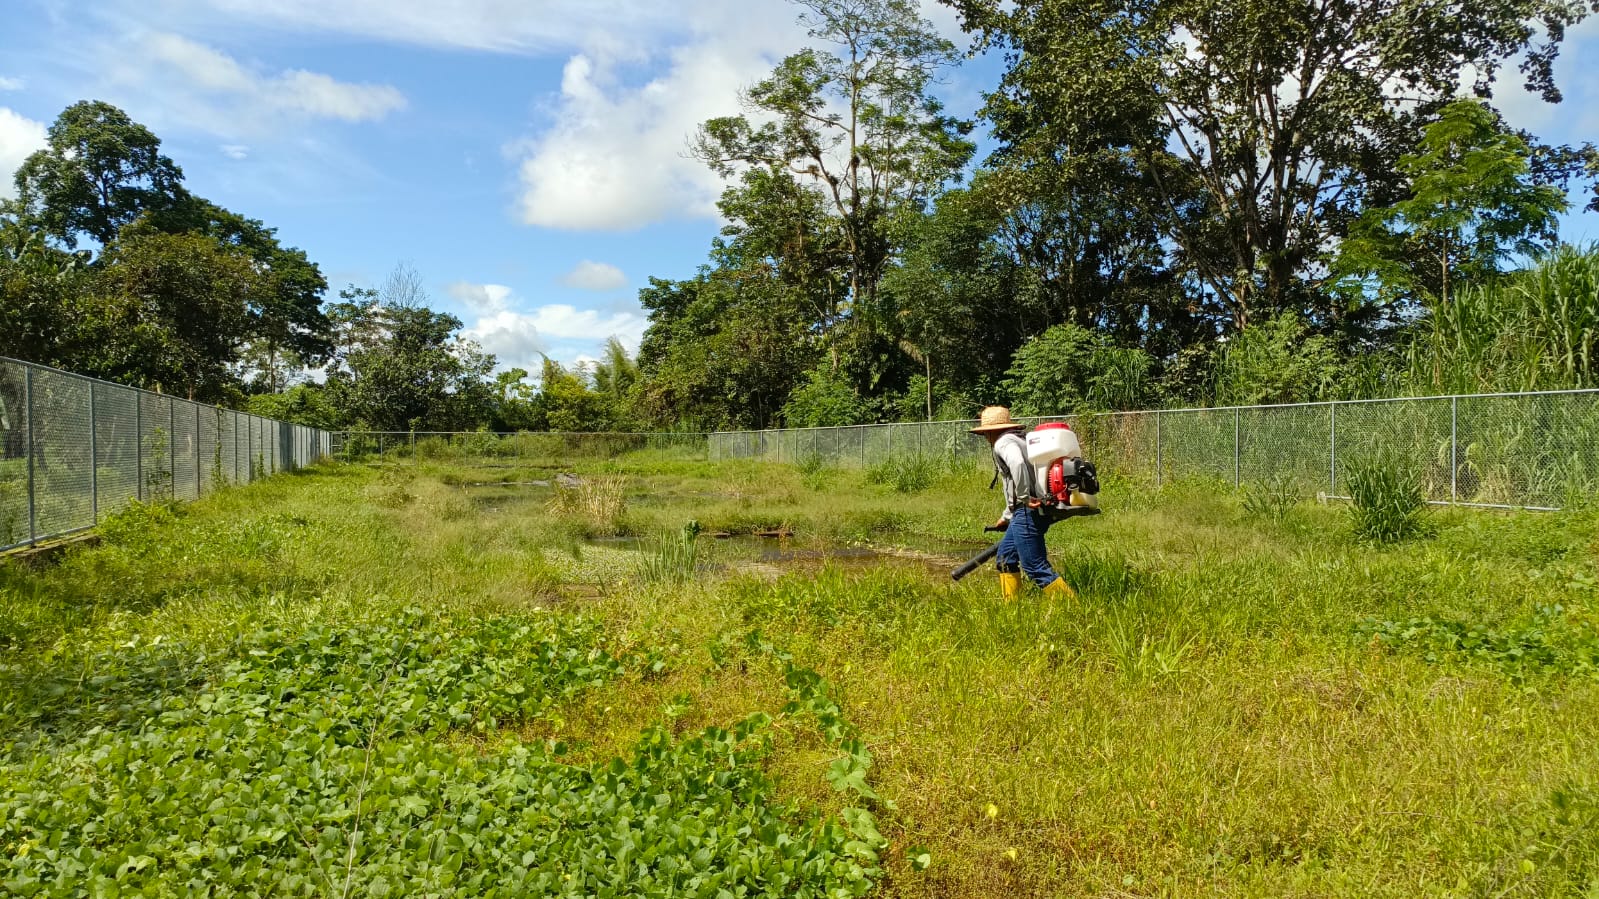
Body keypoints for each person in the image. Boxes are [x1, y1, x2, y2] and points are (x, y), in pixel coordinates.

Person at [969, 406, 1074, 600]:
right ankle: (1012, 607)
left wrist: (1025, 498)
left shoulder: (1002, 442)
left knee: (1034, 566)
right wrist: (1006, 516)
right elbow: (1018, 483)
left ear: (989, 432)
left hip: (1027, 510)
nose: (985, 438)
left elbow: (1017, 464)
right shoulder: (1022, 440)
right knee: (1005, 558)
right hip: (1030, 509)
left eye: (984, 434)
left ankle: (1072, 606)